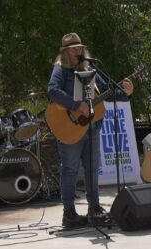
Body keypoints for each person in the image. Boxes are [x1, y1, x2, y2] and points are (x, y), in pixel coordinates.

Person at [48, 33, 134, 228]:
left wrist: (125, 93)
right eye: (73, 49)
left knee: (92, 169)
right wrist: (76, 105)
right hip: (70, 127)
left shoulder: (91, 68)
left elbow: (108, 91)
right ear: (65, 52)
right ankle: (69, 213)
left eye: (79, 48)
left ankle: (94, 208)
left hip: (93, 128)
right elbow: (52, 91)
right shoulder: (60, 70)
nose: (78, 51)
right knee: (69, 170)